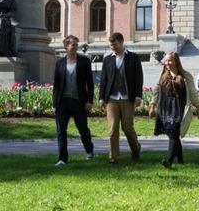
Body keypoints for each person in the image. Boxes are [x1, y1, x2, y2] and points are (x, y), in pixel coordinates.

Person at [149, 52, 199, 168]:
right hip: (165, 109)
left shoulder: (185, 76)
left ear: (176, 61)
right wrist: (153, 105)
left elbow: (193, 92)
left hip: (179, 109)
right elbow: (156, 91)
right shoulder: (163, 74)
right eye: (166, 60)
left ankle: (168, 160)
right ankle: (180, 159)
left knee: (173, 133)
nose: (167, 63)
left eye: (170, 60)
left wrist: (198, 106)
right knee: (172, 135)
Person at [98, 32, 143, 164]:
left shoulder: (133, 58)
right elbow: (104, 80)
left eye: (115, 45)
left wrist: (138, 96)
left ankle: (135, 149)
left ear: (122, 42)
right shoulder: (107, 59)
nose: (113, 47)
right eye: (111, 45)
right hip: (112, 98)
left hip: (127, 98)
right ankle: (113, 157)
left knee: (127, 127)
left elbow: (138, 78)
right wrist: (101, 98)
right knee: (112, 129)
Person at [52, 35, 95, 166]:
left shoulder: (84, 61)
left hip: (79, 101)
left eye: (76, 45)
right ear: (66, 47)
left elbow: (90, 83)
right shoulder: (59, 62)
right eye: (73, 45)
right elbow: (57, 84)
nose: (75, 47)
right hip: (63, 102)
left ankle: (89, 150)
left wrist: (89, 101)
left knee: (82, 129)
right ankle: (62, 159)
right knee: (61, 131)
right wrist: (55, 104)